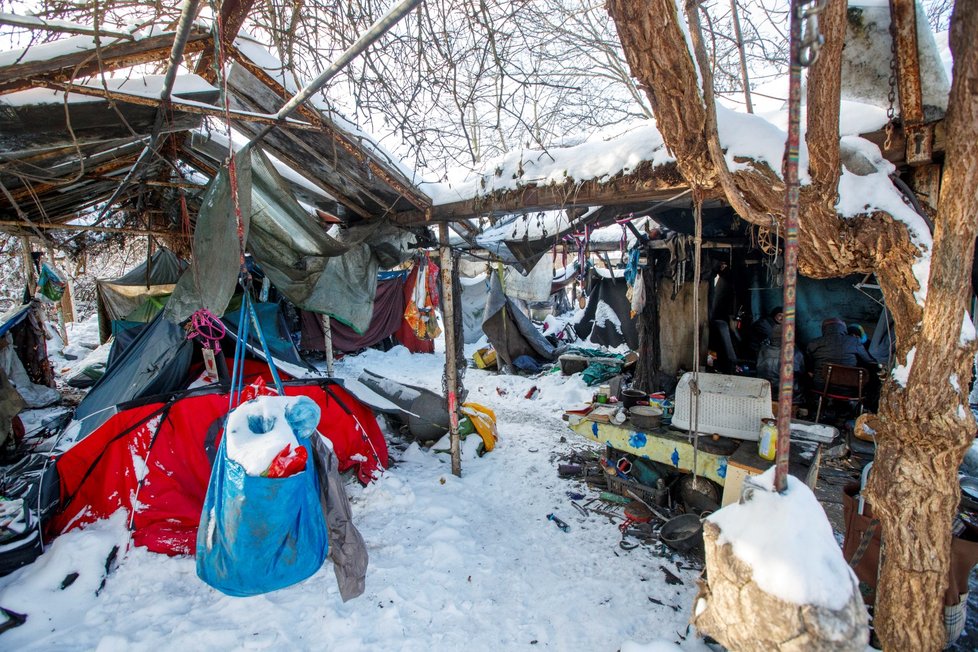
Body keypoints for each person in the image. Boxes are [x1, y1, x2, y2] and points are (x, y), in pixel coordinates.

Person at [806, 317, 878, 391]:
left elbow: (808, 366)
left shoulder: (813, 343)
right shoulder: (855, 341)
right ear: (843, 328)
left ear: (824, 329)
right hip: (849, 388)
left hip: (822, 387)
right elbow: (870, 361)